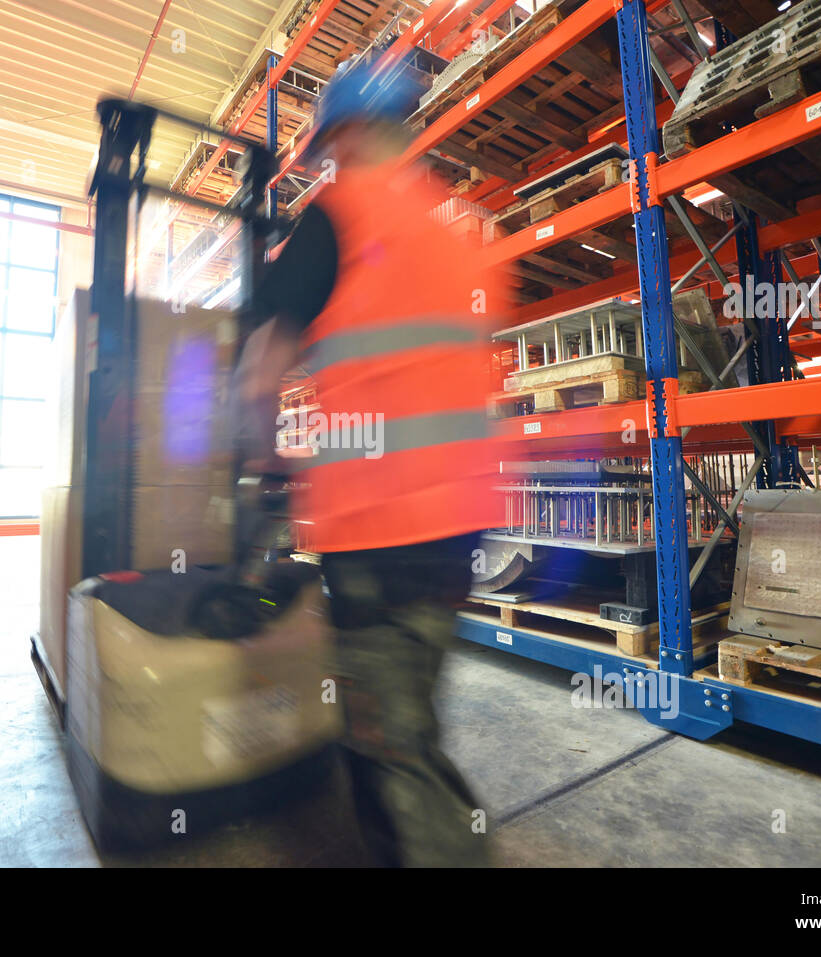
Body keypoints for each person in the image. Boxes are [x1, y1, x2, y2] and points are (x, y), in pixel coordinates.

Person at [235, 55, 509, 867]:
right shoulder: (463, 230)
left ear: (347, 134)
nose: (327, 158)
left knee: (389, 741)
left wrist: (264, 467)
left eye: (329, 143)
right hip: (459, 528)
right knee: (413, 711)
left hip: (375, 534)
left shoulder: (335, 215)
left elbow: (259, 372)